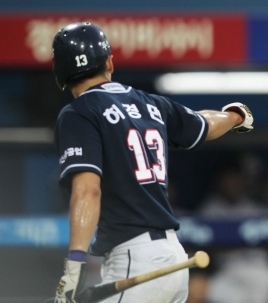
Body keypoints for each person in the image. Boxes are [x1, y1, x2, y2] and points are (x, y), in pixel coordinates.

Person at [52, 22, 253, 303]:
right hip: (173, 258)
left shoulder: (78, 112)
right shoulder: (150, 104)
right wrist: (235, 116)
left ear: (60, 73)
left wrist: (74, 267)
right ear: (110, 61)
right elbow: (205, 123)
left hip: (134, 258)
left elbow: (87, 190)